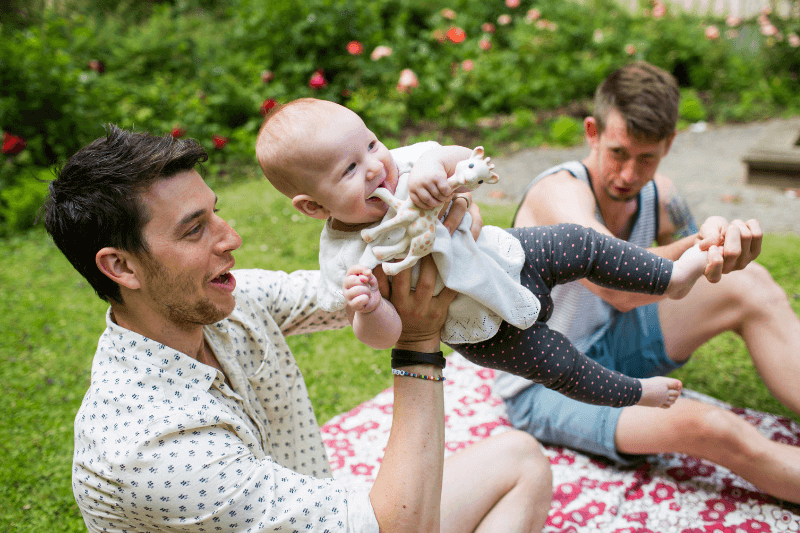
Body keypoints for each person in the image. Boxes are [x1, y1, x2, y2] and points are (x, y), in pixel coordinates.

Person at [44, 125, 554, 533]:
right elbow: (401, 527)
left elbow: (354, 289)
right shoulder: (152, 451)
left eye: (216, 214)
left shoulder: (223, 304)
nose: (232, 238)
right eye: (195, 229)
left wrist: (435, 227)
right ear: (122, 267)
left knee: (521, 461)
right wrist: (418, 346)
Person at [255, 97, 719, 412]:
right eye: (351, 168)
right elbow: (384, 337)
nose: (377, 165)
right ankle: (636, 394)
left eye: (372, 143)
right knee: (561, 366)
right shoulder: (346, 262)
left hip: (509, 255)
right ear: (314, 207)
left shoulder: (409, 164)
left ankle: (670, 277)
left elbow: (460, 156)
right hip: (480, 328)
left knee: (582, 243)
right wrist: (369, 308)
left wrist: (439, 165)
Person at [495, 60, 800, 504]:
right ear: (592, 133)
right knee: (710, 426)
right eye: (618, 153)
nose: (628, 175)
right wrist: (698, 244)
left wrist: (721, 247)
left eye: (646, 159)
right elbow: (617, 287)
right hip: (545, 382)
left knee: (749, 283)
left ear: (669, 144)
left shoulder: (663, 198)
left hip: (612, 346)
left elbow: (701, 277)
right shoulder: (558, 194)